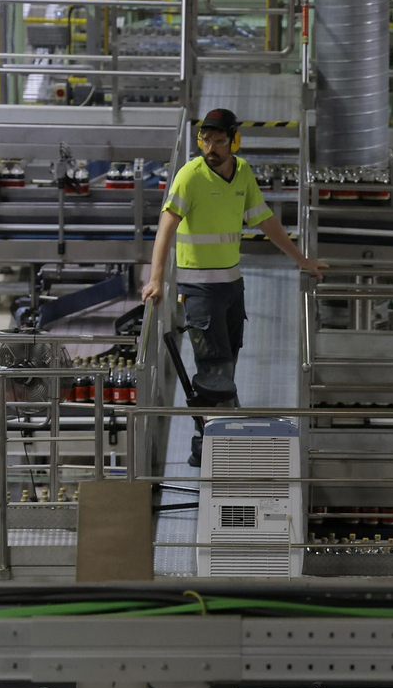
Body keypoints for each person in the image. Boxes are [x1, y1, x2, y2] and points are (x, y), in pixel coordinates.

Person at [141, 108, 329, 466]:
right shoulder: (190, 176)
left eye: (218, 140)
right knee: (215, 368)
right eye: (205, 140)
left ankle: (218, 437)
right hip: (199, 291)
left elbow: (266, 220)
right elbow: (165, 228)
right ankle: (212, 444)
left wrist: (300, 259)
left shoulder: (243, 174)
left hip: (231, 289)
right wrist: (155, 278)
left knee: (227, 366)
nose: (210, 147)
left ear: (234, 141)